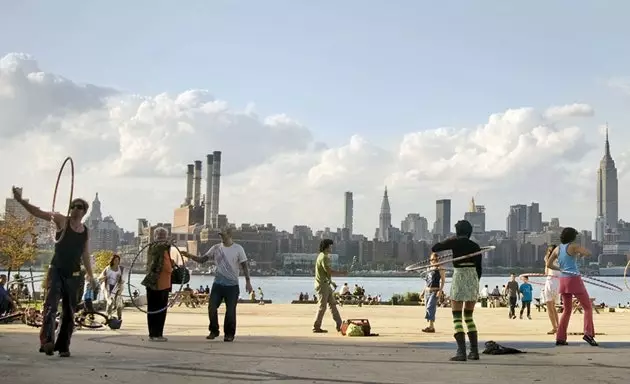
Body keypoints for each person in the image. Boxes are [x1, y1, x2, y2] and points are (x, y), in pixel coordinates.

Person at [12, 186, 96, 357]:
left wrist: (91, 275)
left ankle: (63, 345)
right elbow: (39, 213)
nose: (75, 209)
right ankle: (47, 341)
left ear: (84, 211)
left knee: (69, 312)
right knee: (50, 306)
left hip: (73, 274)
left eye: (79, 206)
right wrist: (20, 201)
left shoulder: (85, 231)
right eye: (73, 205)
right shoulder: (61, 220)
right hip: (56, 269)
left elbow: (85, 254)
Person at [184, 227, 252, 342]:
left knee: (230, 311)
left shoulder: (238, 249)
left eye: (223, 235)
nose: (221, 237)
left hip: (232, 286)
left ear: (230, 235)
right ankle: (214, 330)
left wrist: (248, 282)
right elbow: (202, 260)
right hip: (218, 285)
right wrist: (189, 255)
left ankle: (229, 334)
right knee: (212, 307)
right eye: (220, 235)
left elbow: (244, 266)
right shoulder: (216, 248)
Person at [431, 220, 482, 361]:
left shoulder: (454, 242)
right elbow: (479, 268)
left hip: (459, 275)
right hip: (472, 277)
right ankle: (474, 351)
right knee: (469, 316)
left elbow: (435, 248)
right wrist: (475, 283)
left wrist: (449, 240)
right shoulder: (476, 246)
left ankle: (461, 352)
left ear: (457, 231)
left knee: (457, 316)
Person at [546, 227, 597, 346]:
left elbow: (549, 264)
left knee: (567, 310)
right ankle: (588, 334)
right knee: (587, 307)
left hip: (563, 280)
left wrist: (560, 269)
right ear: (572, 237)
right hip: (574, 279)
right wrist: (579, 254)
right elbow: (588, 253)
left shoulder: (557, 249)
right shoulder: (573, 246)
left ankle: (560, 338)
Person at [140, 226, 174, 342]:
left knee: (162, 311)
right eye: (159, 236)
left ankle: (159, 334)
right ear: (154, 237)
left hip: (165, 284)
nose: (162, 238)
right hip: (155, 283)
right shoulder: (154, 247)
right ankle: (153, 334)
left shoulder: (165, 248)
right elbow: (159, 248)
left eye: (163, 236)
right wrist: (167, 243)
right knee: (154, 310)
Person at [312, 239, 347, 333]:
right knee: (322, 306)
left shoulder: (321, 256)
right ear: (327, 247)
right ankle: (316, 327)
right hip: (322, 285)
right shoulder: (324, 257)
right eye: (330, 246)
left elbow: (325, 273)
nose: (332, 248)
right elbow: (329, 271)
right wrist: (342, 273)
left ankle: (339, 325)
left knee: (333, 304)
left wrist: (331, 282)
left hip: (325, 284)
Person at [422, 253, 446, 333]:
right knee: (427, 309)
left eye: (436, 259)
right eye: (432, 259)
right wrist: (422, 291)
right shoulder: (428, 269)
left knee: (430, 307)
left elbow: (443, 280)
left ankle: (431, 327)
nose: (434, 261)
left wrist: (440, 291)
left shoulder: (440, 268)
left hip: (435, 291)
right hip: (427, 291)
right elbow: (426, 281)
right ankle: (431, 326)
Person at [99, 254, 124, 320]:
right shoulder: (108, 268)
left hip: (117, 287)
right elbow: (100, 278)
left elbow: (123, 281)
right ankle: (108, 317)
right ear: (112, 261)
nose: (117, 262)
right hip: (108, 287)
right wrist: (105, 277)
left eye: (118, 260)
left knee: (118, 302)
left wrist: (120, 279)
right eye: (115, 260)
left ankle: (119, 317)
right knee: (110, 301)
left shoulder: (121, 269)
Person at [542, 244, 560, 334]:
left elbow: (546, 273)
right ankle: (558, 326)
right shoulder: (560, 260)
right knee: (553, 307)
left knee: (550, 307)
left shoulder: (548, 260)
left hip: (550, 282)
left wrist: (546, 262)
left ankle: (555, 328)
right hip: (558, 284)